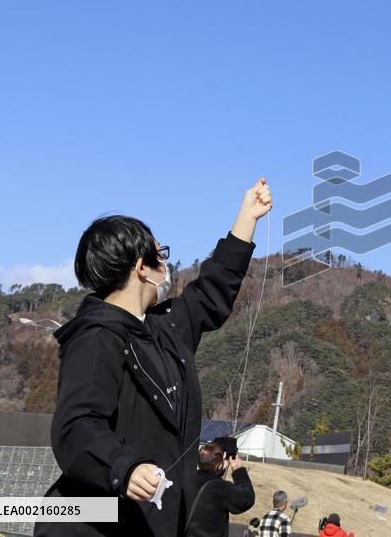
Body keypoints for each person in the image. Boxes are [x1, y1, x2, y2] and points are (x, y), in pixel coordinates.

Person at [34, 179, 273, 537]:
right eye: (161, 254)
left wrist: (246, 218)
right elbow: (77, 424)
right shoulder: (96, 336)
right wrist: (124, 467)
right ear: (141, 267)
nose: (167, 264)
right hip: (97, 524)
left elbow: (211, 290)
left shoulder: (165, 328)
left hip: (152, 522)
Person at [185, 443, 255, 537]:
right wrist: (239, 470)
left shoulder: (187, 479)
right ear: (221, 460)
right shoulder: (220, 488)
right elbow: (247, 498)